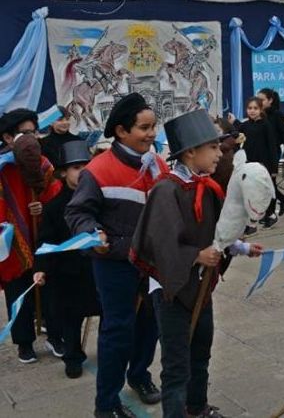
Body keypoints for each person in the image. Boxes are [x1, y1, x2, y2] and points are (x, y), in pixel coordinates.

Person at [131, 110, 263, 418]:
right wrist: (195, 255)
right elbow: (159, 242)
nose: (219, 153)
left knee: (201, 351)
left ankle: (196, 407)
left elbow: (218, 232)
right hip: (172, 291)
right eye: (213, 147)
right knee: (177, 364)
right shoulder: (167, 189)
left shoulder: (206, 186)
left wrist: (241, 246)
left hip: (200, 287)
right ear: (191, 152)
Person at [66, 93, 166, 418]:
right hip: (114, 263)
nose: (151, 134)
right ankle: (106, 404)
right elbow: (77, 213)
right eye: (144, 128)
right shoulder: (98, 171)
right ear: (122, 131)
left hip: (152, 263)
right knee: (117, 331)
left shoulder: (158, 163)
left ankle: (139, 376)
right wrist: (90, 232)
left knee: (150, 325)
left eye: (153, 127)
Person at [0, 108, 63, 364]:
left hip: (43, 235)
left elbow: (56, 194)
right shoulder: (2, 168)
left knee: (51, 286)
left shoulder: (44, 163)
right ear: (7, 137)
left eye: (33, 132)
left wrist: (44, 207)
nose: (31, 138)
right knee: (19, 289)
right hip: (14, 239)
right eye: (24, 133)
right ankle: (24, 342)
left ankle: (55, 335)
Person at [34, 140, 99, 378]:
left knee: (109, 314)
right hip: (68, 274)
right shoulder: (53, 208)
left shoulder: (99, 200)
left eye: (86, 166)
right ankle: (73, 356)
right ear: (63, 172)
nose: (82, 172)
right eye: (76, 167)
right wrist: (40, 268)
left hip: (96, 269)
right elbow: (45, 242)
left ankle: (110, 351)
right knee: (71, 320)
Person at [230, 97, 278, 228]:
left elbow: (272, 146)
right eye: (249, 108)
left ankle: (271, 214)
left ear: (261, 109)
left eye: (255, 108)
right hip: (250, 163)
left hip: (264, 164)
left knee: (266, 190)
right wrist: (232, 122)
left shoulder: (266, 125)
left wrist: (273, 168)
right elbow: (238, 131)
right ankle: (253, 220)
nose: (252, 111)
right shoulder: (246, 125)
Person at [258, 88, 284, 220]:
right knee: (265, 183)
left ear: (270, 100)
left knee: (269, 182)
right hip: (261, 151)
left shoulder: (277, 115)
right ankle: (283, 199)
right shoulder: (260, 114)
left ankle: (270, 212)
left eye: (262, 100)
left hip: (273, 152)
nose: (259, 102)